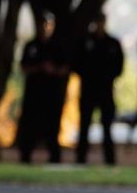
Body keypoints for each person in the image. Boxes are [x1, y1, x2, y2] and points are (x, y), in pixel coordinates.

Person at [15, 14, 69, 164]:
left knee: (52, 129)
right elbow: (23, 67)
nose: (44, 27)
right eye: (41, 24)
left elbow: (65, 68)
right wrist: (39, 68)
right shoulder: (31, 45)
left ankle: (55, 160)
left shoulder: (57, 47)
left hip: (51, 95)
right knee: (30, 127)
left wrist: (53, 70)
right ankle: (25, 158)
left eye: (47, 24)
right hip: (33, 95)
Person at [74, 12, 124, 165]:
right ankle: (80, 160)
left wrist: (106, 76)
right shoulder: (86, 42)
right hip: (88, 90)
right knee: (84, 126)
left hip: (106, 91)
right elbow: (77, 63)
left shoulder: (112, 43)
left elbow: (119, 66)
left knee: (107, 128)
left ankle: (110, 162)